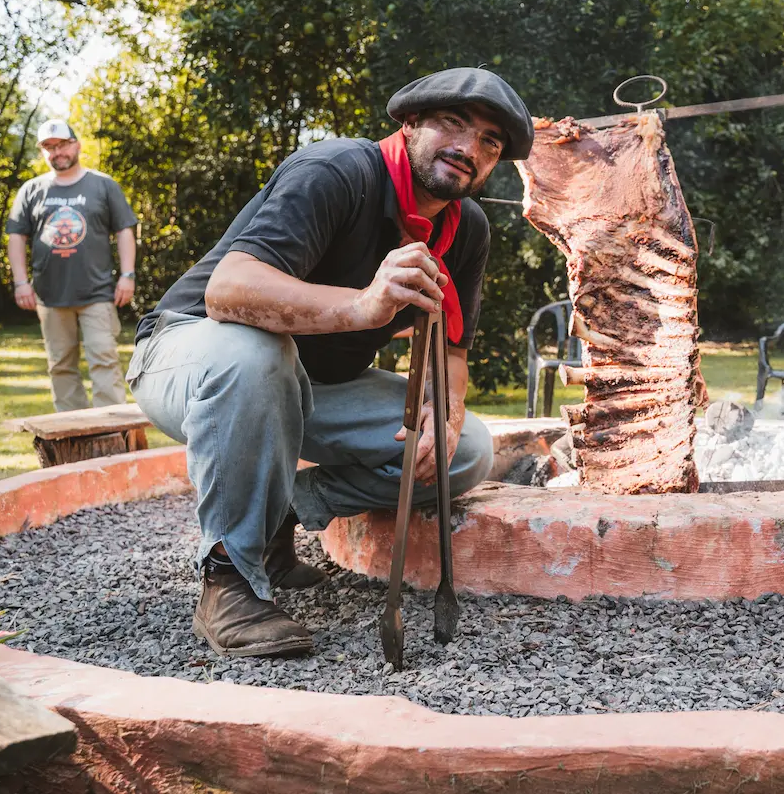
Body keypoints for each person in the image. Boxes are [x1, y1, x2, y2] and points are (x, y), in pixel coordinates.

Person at [127, 68, 533, 658]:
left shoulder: (466, 229)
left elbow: (451, 350)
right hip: (191, 355)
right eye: (453, 122)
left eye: (489, 142)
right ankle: (227, 582)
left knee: (466, 448)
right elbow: (227, 292)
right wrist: (364, 306)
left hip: (308, 385)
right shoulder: (337, 172)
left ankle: (278, 514)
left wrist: (444, 412)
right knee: (256, 351)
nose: (468, 148)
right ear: (410, 122)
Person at [7, 119, 138, 412]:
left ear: (77, 145)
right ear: (43, 152)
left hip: (97, 293)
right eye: (49, 147)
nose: (57, 152)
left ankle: (111, 429)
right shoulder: (31, 190)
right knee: (60, 366)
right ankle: (72, 430)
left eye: (63, 145)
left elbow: (124, 231)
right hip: (49, 295)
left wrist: (128, 275)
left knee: (104, 361)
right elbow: (16, 237)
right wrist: (20, 282)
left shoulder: (103, 185)